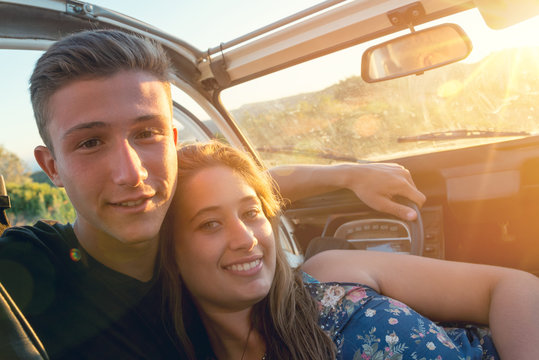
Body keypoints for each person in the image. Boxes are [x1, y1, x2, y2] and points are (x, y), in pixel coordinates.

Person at [0, 29, 425, 359]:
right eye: (90, 143)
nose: (130, 174)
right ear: (51, 165)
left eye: (146, 134)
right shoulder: (24, 270)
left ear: (172, 139)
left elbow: (242, 184)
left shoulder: (195, 241)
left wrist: (347, 175)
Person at [160, 141, 539, 360]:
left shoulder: (328, 273)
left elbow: (513, 288)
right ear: (168, 250)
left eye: (251, 213)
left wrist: (345, 174)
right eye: (209, 224)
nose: (246, 238)